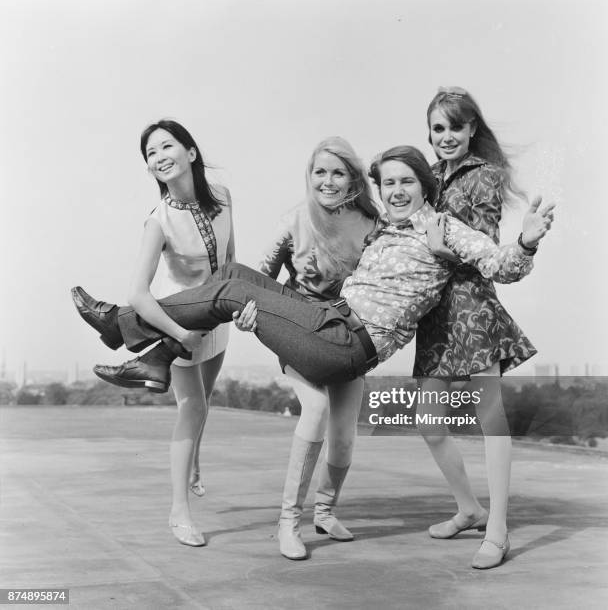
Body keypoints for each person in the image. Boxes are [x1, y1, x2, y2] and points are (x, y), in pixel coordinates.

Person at [72, 146, 553, 544]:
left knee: (232, 291)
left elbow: (500, 263)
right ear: (379, 190)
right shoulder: (381, 224)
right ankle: (156, 354)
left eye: (408, 182)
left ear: (425, 186)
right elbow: (316, 230)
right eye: (389, 183)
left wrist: (526, 242)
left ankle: (121, 324)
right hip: (326, 321)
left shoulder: (442, 229)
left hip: (349, 344)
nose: (398, 191)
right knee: (235, 277)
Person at [72, 120, 235, 547]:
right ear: (149, 168)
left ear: (191, 153)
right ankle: (179, 512)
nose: (160, 156)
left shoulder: (222, 199)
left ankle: (194, 464)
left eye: (167, 146)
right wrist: (182, 333)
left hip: (216, 322)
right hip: (175, 328)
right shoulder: (158, 221)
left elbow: (230, 258)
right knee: (194, 408)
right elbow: (140, 294)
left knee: (207, 399)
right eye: (151, 153)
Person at [414, 87, 552, 569]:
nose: (446, 136)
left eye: (455, 126)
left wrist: (440, 250)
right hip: (433, 313)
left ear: (473, 128)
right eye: (437, 128)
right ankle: (469, 509)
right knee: (429, 422)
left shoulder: (487, 177)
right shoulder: (425, 177)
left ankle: (498, 528)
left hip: (473, 308)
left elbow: (486, 253)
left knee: (490, 418)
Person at [233, 137, 379, 559]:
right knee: (314, 410)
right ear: (309, 176)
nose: (328, 181)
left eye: (338, 172)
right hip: (298, 328)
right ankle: (288, 523)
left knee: (345, 437)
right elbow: (260, 277)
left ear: (352, 178)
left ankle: (326, 510)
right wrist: (252, 316)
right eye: (320, 172)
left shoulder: (371, 225)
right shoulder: (295, 220)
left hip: (346, 333)